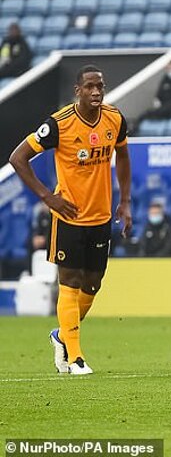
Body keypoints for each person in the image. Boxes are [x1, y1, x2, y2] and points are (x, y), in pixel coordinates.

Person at [9, 64, 132, 375]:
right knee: (71, 282)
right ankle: (75, 358)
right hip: (69, 217)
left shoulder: (114, 118)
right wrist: (47, 197)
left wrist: (125, 201)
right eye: (90, 86)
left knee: (92, 284)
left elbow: (123, 156)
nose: (96, 92)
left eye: (100, 86)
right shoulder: (59, 124)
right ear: (78, 90)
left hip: (101, 216)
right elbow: (18, 158)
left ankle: (61, 336)